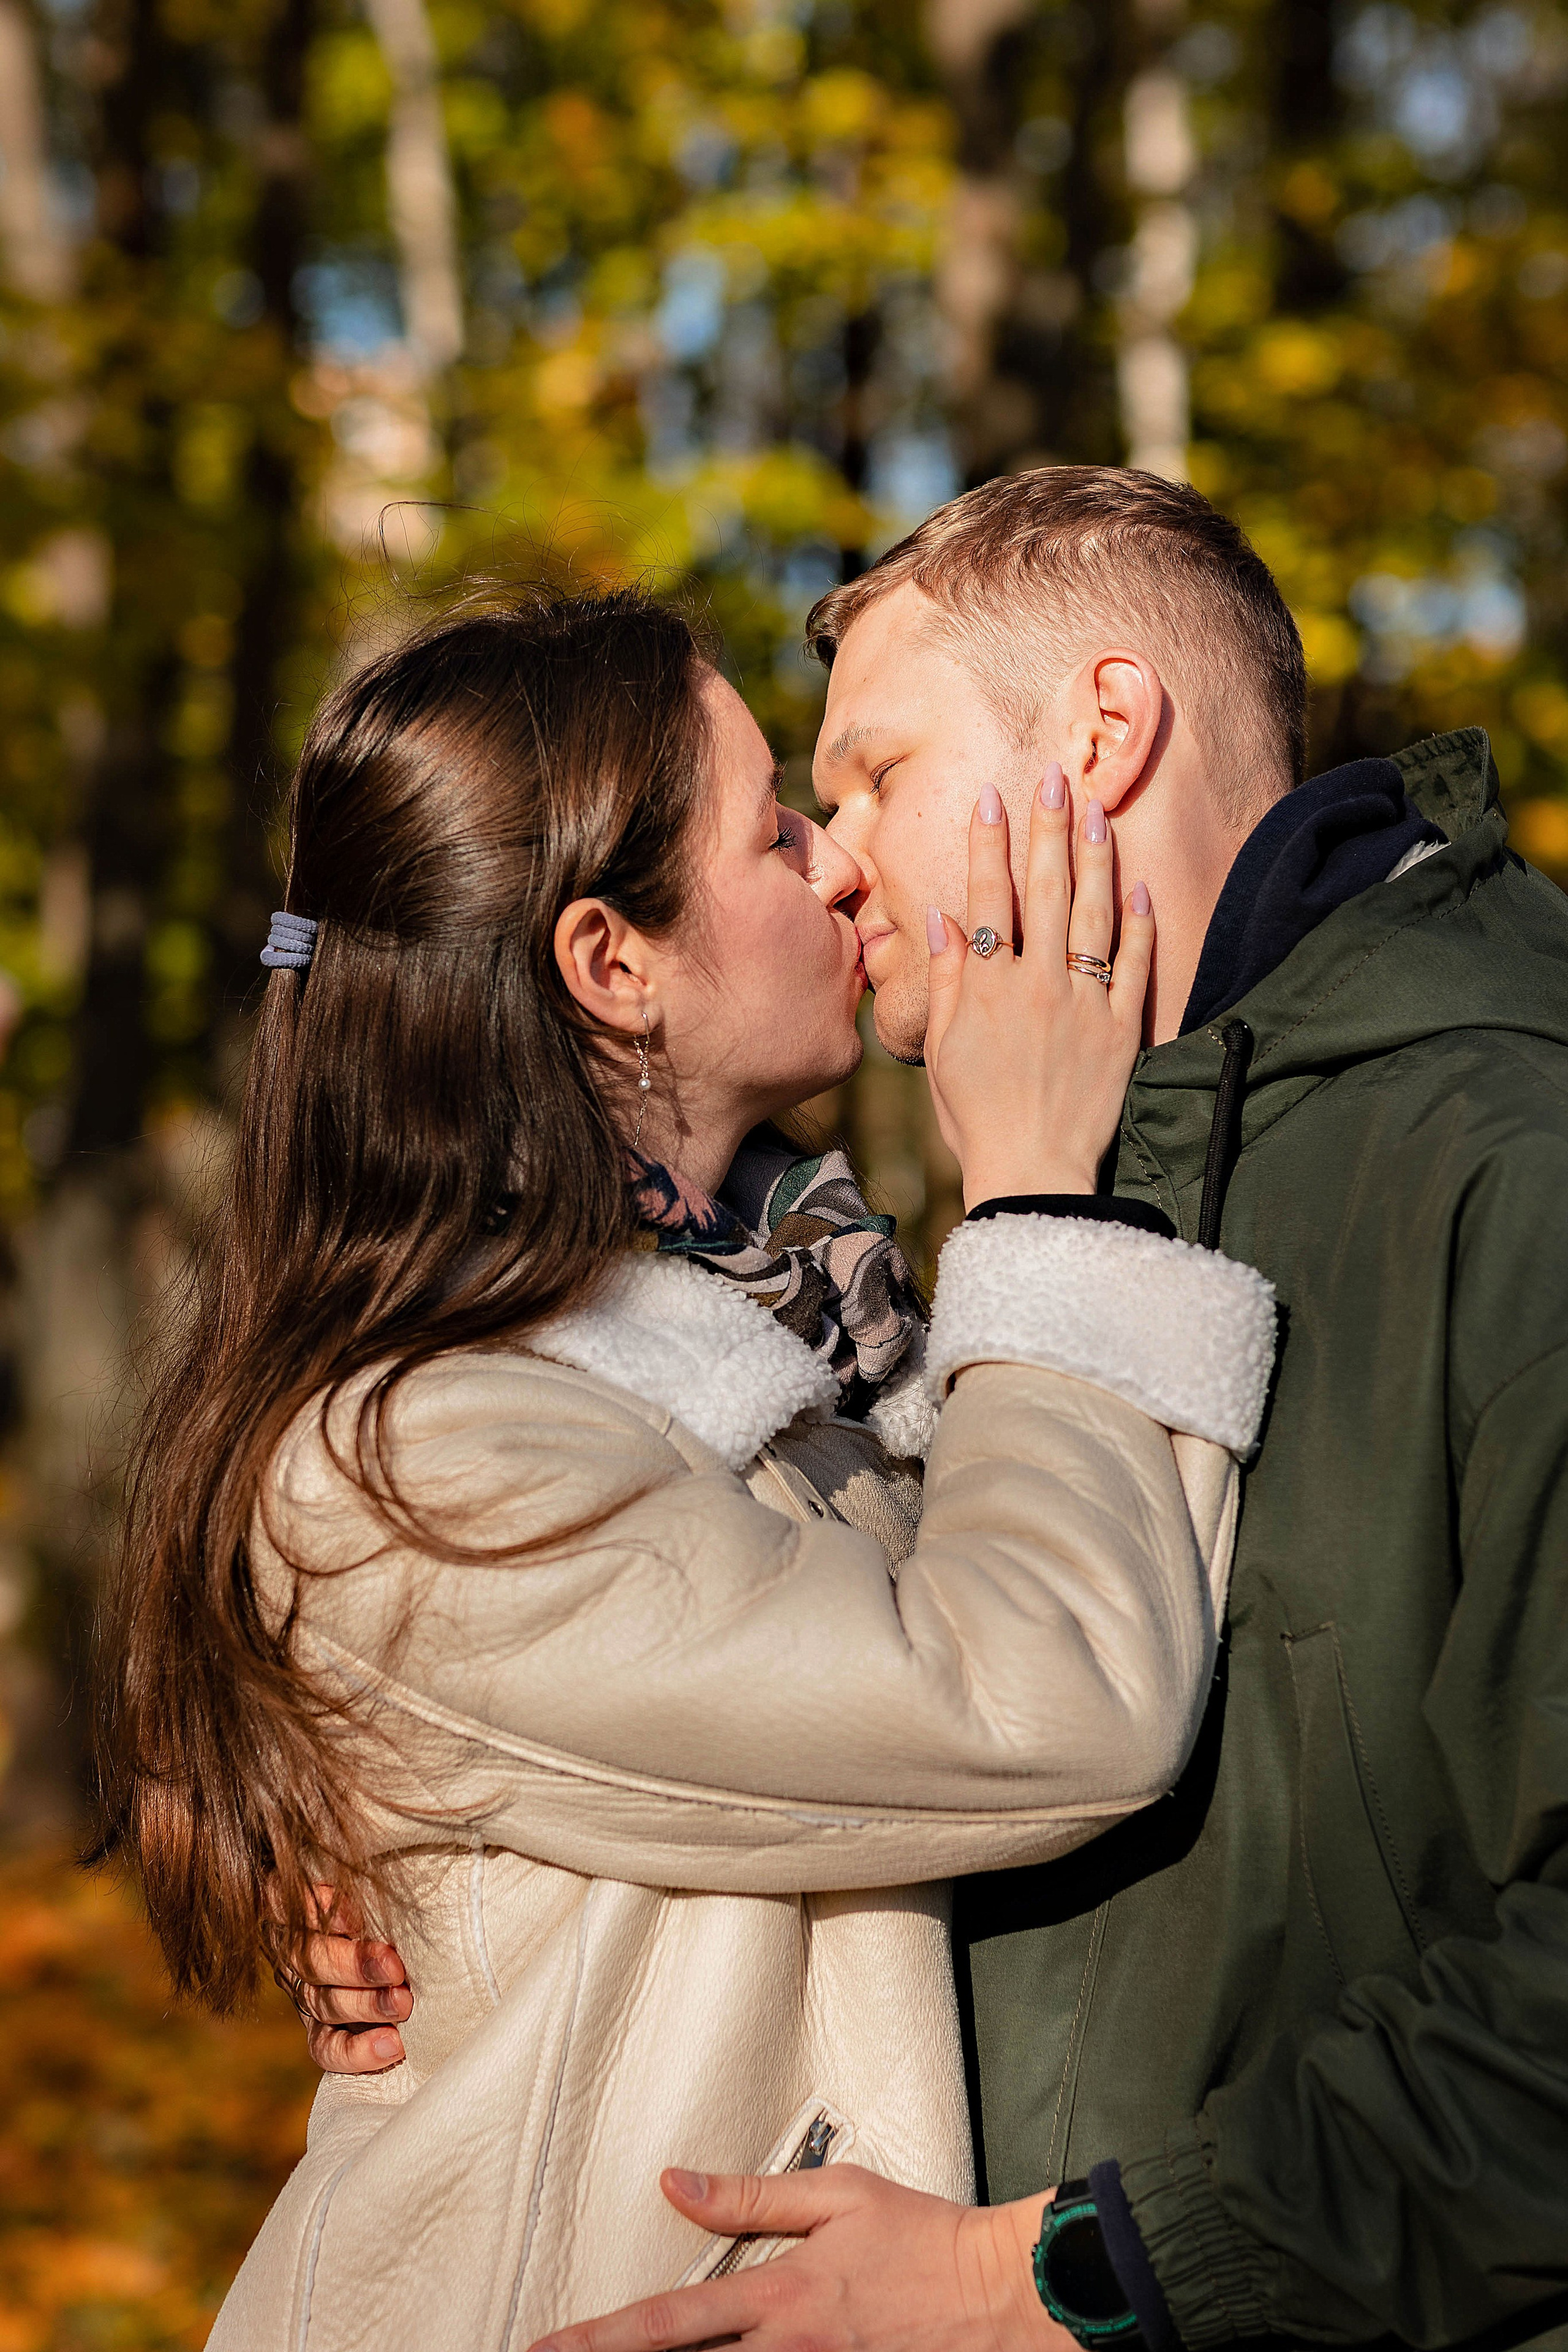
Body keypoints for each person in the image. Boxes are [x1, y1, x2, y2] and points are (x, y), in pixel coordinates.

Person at [96, 581, 1276, 2351]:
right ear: (611, 965)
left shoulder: (800, 1329)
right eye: (776, 828)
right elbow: (1042, 1697)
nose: (843, 865)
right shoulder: (423, 1458)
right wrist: (1040, 1189)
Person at [462, 470, 1566, 2352]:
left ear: (1107, 733)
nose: (842, 857)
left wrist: (1066, 2274)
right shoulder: (1034, 1189)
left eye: (880, 772)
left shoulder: (1502, 1167)